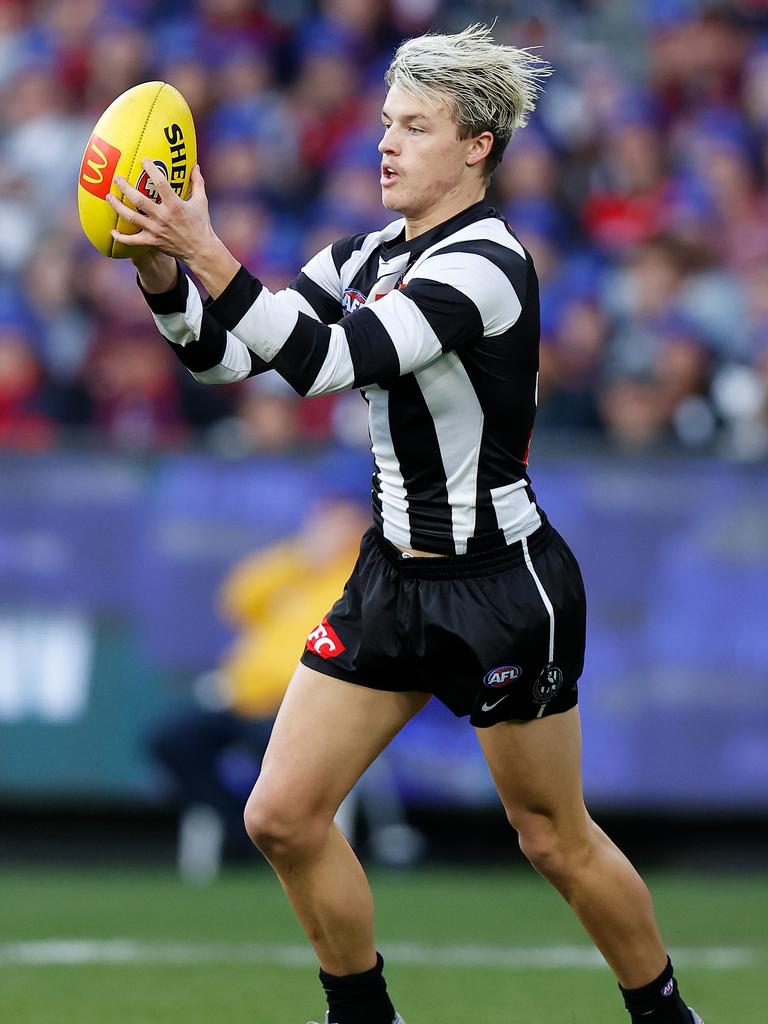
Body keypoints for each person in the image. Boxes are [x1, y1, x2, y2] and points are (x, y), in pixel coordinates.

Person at [106, 22, 704, 1024]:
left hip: (502, 586)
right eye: (386, 122)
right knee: (282, 814)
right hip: (390, 579)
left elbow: (323, 363)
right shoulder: (370, 250)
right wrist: (163, 273)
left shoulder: (488, 265)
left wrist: (206, 247)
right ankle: (361, 1016)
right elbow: (230, 361)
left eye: (415, 126)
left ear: (476, 147)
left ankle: (665, 1014)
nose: (384, 143)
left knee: (552, 836)